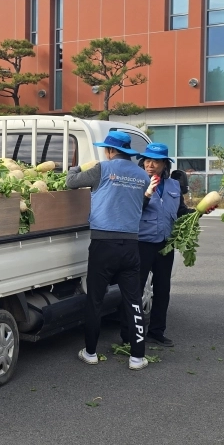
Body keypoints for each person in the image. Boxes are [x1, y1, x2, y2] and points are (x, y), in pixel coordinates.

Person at [65, 130, 150, 370]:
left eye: (105, 149)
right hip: (131, 245)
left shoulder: (101, 169)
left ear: (111, 151)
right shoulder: (142, 175)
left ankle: (90, 352)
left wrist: (77, 167)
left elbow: (71, 182)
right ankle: (137, 357)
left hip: (103, 244)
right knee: (133, 301)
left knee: (95, 299)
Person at [136, 143, 189, 347]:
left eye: (156, 161)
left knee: (162, 289)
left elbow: (181, 211)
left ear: (165, 164)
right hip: (142, 242)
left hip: (166, 244)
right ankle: (130, 333)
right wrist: (147, 193)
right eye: (147, 160)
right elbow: (132, 209)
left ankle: (156, 332)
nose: (150, 165)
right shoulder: (137, 182)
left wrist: (200, 212)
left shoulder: (174, 185)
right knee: (135, 289)